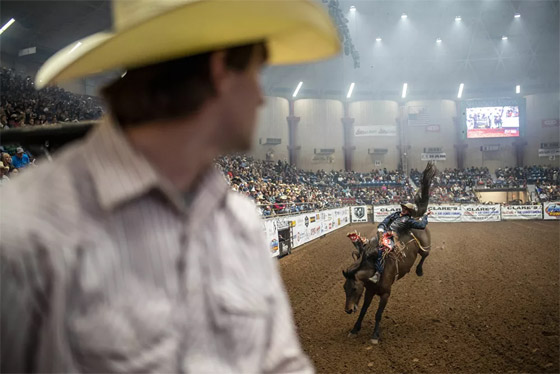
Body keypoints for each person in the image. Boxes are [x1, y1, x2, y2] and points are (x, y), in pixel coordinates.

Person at [0, 1, 340, 373]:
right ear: (220, 69)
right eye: (256, 73)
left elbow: (280, 363)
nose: (260, 97)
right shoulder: (22, 233)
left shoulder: (239, 220)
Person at [371, 203, 431, 283]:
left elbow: (422, 225)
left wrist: (425, 216)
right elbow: (386, 221)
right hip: (383, 233)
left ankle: (378, 273)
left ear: (409, 212)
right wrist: (381, 228)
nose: (403, 209)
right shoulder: (395, 214)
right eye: (403, 208)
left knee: (382, 250)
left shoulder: (409, 221)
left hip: (393, 237)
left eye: (406, 209)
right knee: (369, 244)